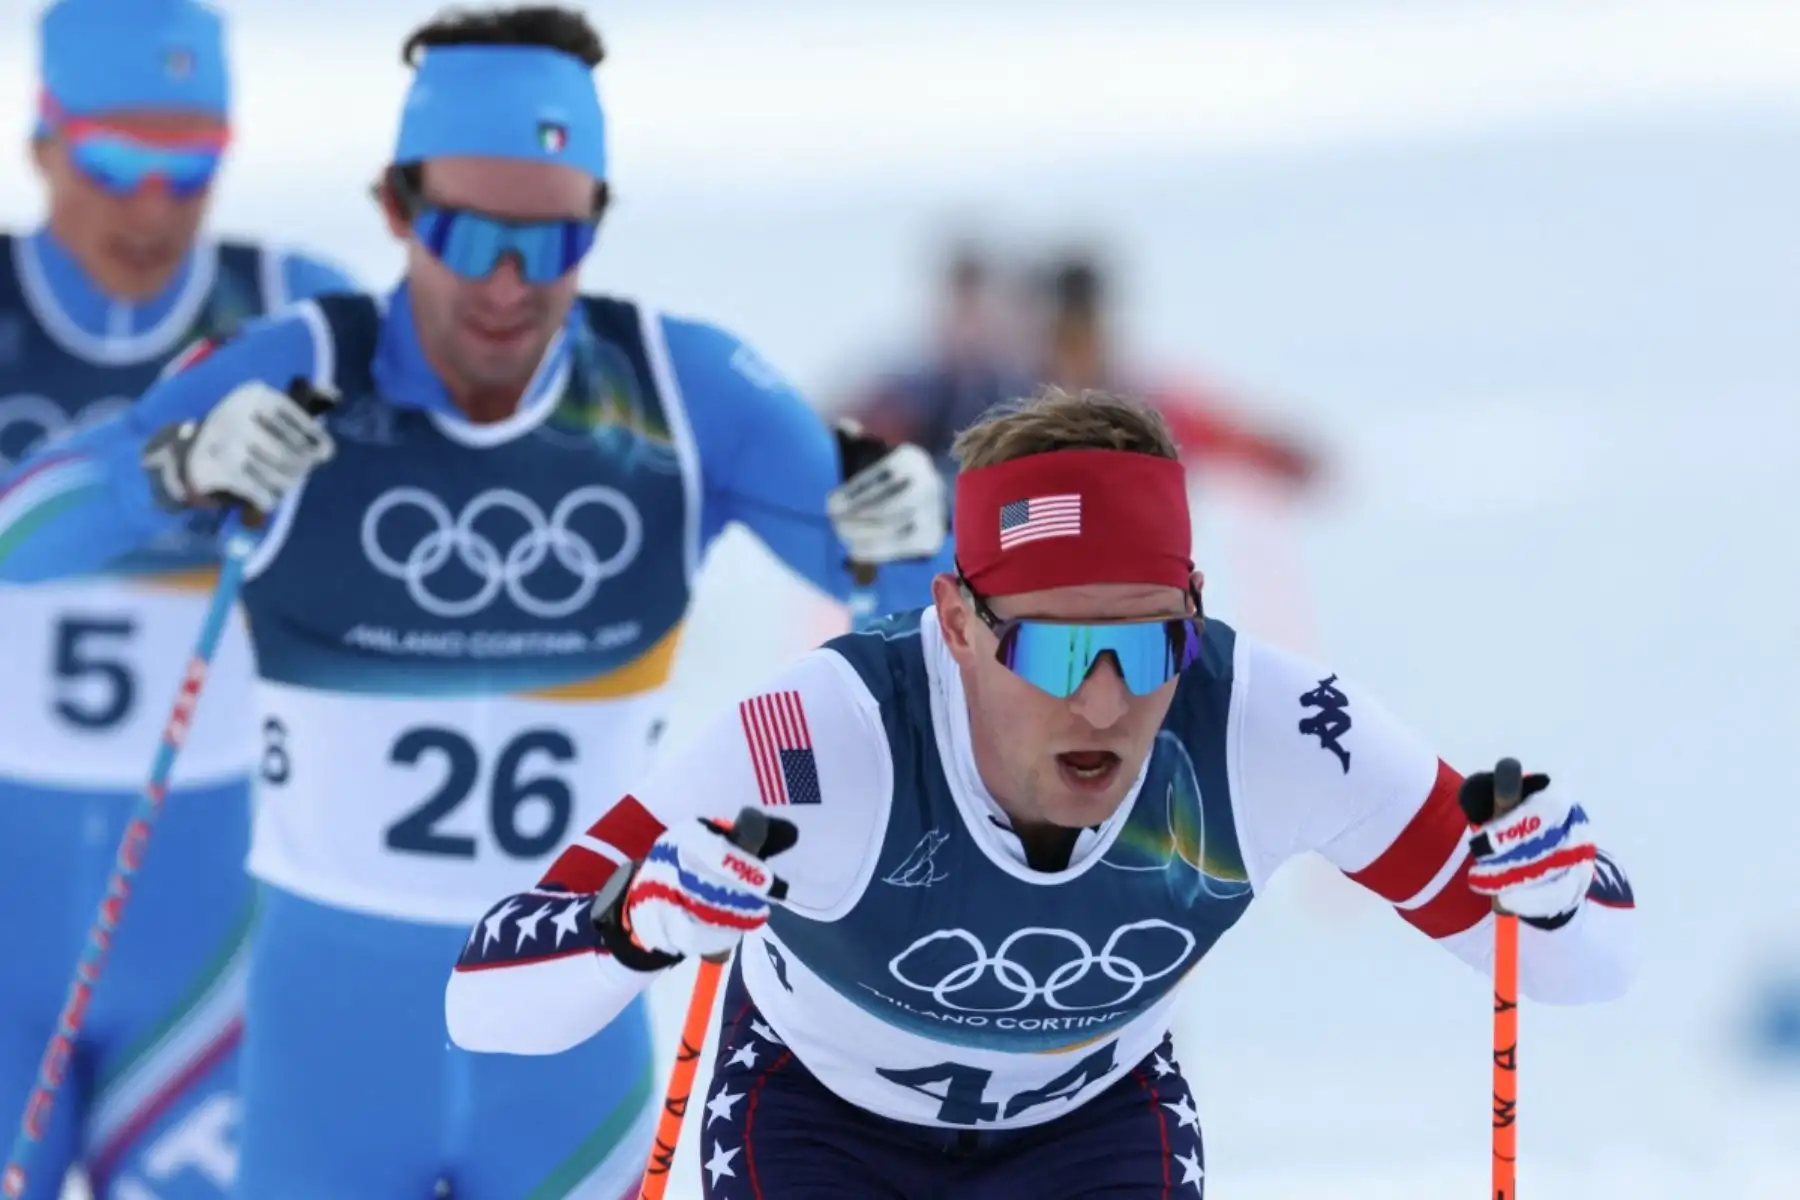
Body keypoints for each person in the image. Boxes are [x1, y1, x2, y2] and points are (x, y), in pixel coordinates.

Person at [0, 5, 949, 1196]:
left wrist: (916, 525)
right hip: (327, 1055)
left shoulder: (681, 392)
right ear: (397, 209)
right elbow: (27, 534)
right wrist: (172, 469)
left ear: (595, 225)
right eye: (465, 233)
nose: (507, 286)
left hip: (567, 1047)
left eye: (549, 245)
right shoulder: (305, 362)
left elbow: (953, 622)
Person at [446, 386, 1638, 1197]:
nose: (1109, 703)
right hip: (818, 1119)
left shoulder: (1273, 726)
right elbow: (486, 1003)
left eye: (1154, 643)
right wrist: (632, 927)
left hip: (1095, 1129)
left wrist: (1560, 884)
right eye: (1063, 651)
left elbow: (1578, 965)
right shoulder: (826, 734)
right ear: (958, 621)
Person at [0, 1, 357, 1197]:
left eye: (189, 167)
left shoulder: (293, 312)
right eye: (116, 162)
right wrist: (157, 477)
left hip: (208, 918)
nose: (152, 205)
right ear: (42, 141)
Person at [1034, 252, 1322, 490]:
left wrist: (1272, 454)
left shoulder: (1141, 402)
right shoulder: (1012, 397)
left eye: (1087, 332)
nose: (1080, 348)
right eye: (1068, 335)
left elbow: (1213, 430)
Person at [835, 241, 1033, 476]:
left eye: (977, 313)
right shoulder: (913, 393)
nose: (970, 329)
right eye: (962, 313)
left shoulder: (1018, 392)